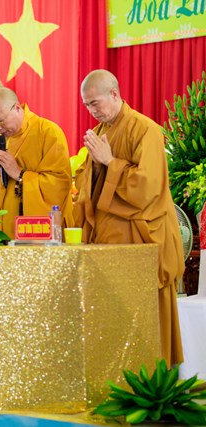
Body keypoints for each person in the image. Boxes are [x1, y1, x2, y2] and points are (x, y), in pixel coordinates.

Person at [75, 69, 184, 365]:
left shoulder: (146, 129)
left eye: (95, 103)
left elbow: (147, 187)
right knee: (114, 316)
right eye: (86, 105)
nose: (91, 111)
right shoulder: (99, 132)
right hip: (108, 241)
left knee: (146, 315)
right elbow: (86, 184)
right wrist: (95, 167)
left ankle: (153, 377)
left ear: (114, 94)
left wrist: (109, 162)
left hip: (141, 240)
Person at [0, 87, 73, 239]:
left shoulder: (48, 132)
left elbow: (59, 184)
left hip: (36, 229)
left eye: (0, 121)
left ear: (17, 108)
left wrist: (19, 174)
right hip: (4, 231)